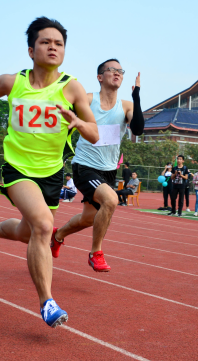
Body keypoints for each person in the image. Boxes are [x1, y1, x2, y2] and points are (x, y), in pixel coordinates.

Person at [0, 17, 99, 328]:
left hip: (51, 174)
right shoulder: (11, 83)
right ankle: (47, 302)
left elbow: (94, 133)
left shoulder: (72, 87)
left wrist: (79, 122)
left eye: (59, 43)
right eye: (46, 42)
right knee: (44, 226)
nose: (53, 47)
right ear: (31, 50)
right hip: (17, 169)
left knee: (26, 233)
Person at [51, 58, 144, 272]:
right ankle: (96, 253)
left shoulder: (126, 106)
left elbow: (138, 129)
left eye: (120, 70)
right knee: (110, 200)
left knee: (88, 219)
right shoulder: (87, 100)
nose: (117, 73)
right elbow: (61, 115)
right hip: (84, 166)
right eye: (111, 69)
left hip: (108, 171)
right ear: (100, 77)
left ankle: (58, 236)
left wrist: (137, 96)